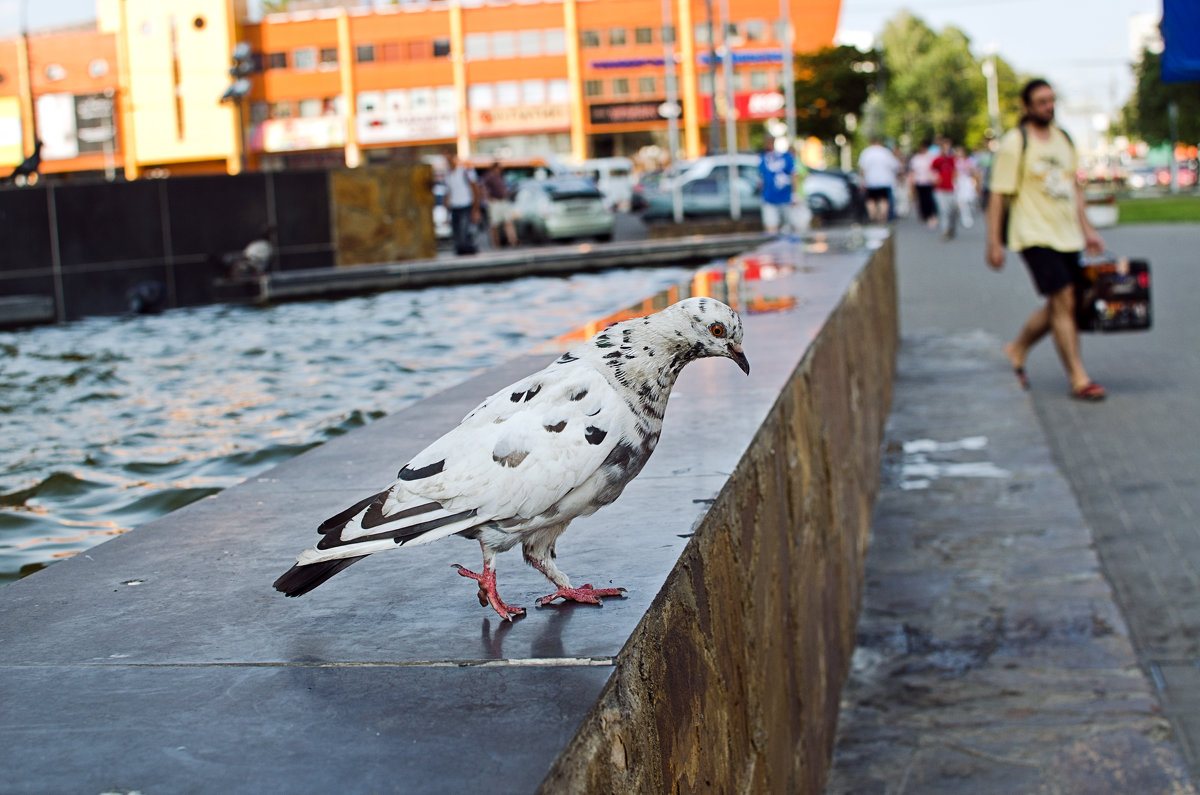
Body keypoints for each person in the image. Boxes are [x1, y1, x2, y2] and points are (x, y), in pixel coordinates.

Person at [986, 78, 1107, 401]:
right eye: (1041, 102)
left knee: (1065, 303)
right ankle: (1079, 378)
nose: (1048, 107)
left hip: (1067, 235)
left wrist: (1088, 230)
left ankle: (1017, 349)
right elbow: (998, 195)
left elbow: (1073, 190)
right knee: (1064, 297)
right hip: (1033, 234)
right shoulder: (1016, 142)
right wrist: (994, 242)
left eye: (1051, 100)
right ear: (1027, 107)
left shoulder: (1063, 139)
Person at [444, 150, 481, 255]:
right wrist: (447, 213)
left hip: (466, 204)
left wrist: (476, 209)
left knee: (465, 232)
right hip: (454, 207)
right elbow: (448, 194)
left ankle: (468, 250)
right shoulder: (448, 175)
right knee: (457, 234)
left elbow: (475, 190)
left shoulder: (465, 171)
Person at [857, 136, 901, 224]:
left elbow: (862, 169)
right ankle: (882, 218)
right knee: (883, 200)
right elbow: (895, 166)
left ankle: (873, 217)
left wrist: (861, 181)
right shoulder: (885, 152)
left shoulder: (866, 152)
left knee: (871, 200)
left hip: (870, 181)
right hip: (884, 181)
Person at [758, 137, 795, 234]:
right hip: (769, 197)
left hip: (785, 196)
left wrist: (795, 194)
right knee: (771, 225)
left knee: (789, 226)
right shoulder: (763, 158)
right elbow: (763, 178)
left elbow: (793, 175)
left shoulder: (786, 157)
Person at [482, 162, 518, 248]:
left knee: (508, 221)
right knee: (494, 224)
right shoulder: (489, 176)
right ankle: (496, 243)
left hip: (503, 201)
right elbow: (482, 187)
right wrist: (487, 198)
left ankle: (513, 240)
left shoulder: (501, 176)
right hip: (495, 202)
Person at [931, 137, 958, 239]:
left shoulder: (952, 159)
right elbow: (932, 171)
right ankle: (945, 230)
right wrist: (935, 179)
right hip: (940, 189)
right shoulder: (937, 160)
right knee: (943, 210)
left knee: (952, 210)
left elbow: (956, 171)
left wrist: (956, 183)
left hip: (951, 188)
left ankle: (951, 228)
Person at [907, 139, 937, 229]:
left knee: (929, 199)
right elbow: (913, 171)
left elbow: (934, 169)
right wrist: (911, 182)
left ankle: (931, 215)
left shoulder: (930, 157)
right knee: (921, 199)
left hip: (928, 181)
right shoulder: (916, 158)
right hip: (919, 181)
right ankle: (924, 215)